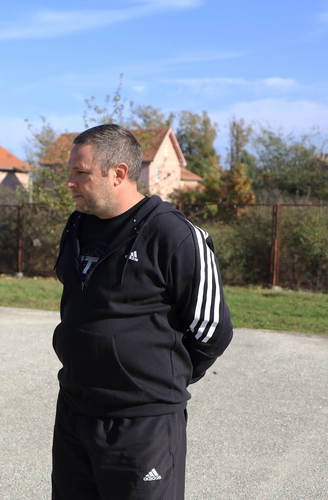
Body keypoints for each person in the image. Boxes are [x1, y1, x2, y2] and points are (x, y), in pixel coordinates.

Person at [51, 124, 233, 499]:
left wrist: (156, 379)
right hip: (74, 410)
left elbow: (213, 329)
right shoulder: (78, 224)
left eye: (81, 173)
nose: (70, 182)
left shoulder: (173, 235)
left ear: (118, 173)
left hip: (142, 424)